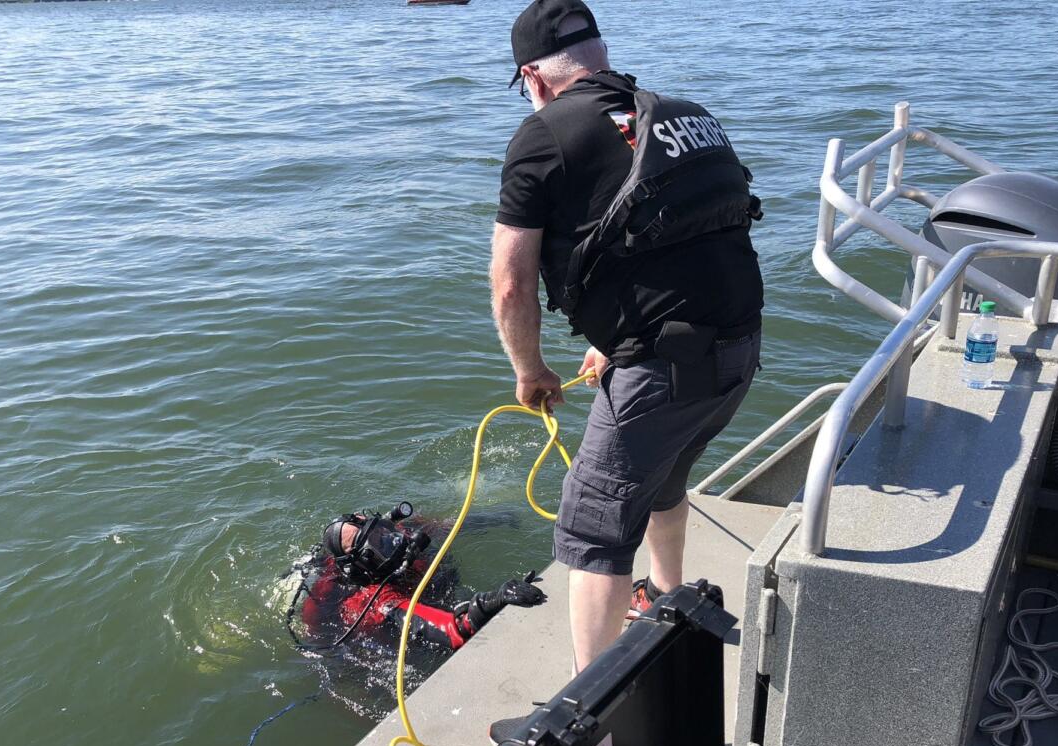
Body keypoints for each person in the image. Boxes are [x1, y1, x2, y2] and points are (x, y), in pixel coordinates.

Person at [490, 0, 764, 674]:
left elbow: (511, 282)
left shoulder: (543, 134)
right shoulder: (681, 112)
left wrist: (530, 371)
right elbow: (683, 235)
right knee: (665, 482)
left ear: (533, 77)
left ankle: (593, 703)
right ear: (599, 55)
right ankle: (668, 597)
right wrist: (614, 342)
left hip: (666, 366)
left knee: (591, 534)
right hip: (739, 347)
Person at [288, 502, 547, 652]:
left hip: (426, 589)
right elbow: (453, 630)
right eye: (379, 543)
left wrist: (498, 518)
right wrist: (496, 599)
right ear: (364, 564)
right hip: (382, 647)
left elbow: (448, 524)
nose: (393, 538)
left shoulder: (402, 532)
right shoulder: (375, 601)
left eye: (382, 530)